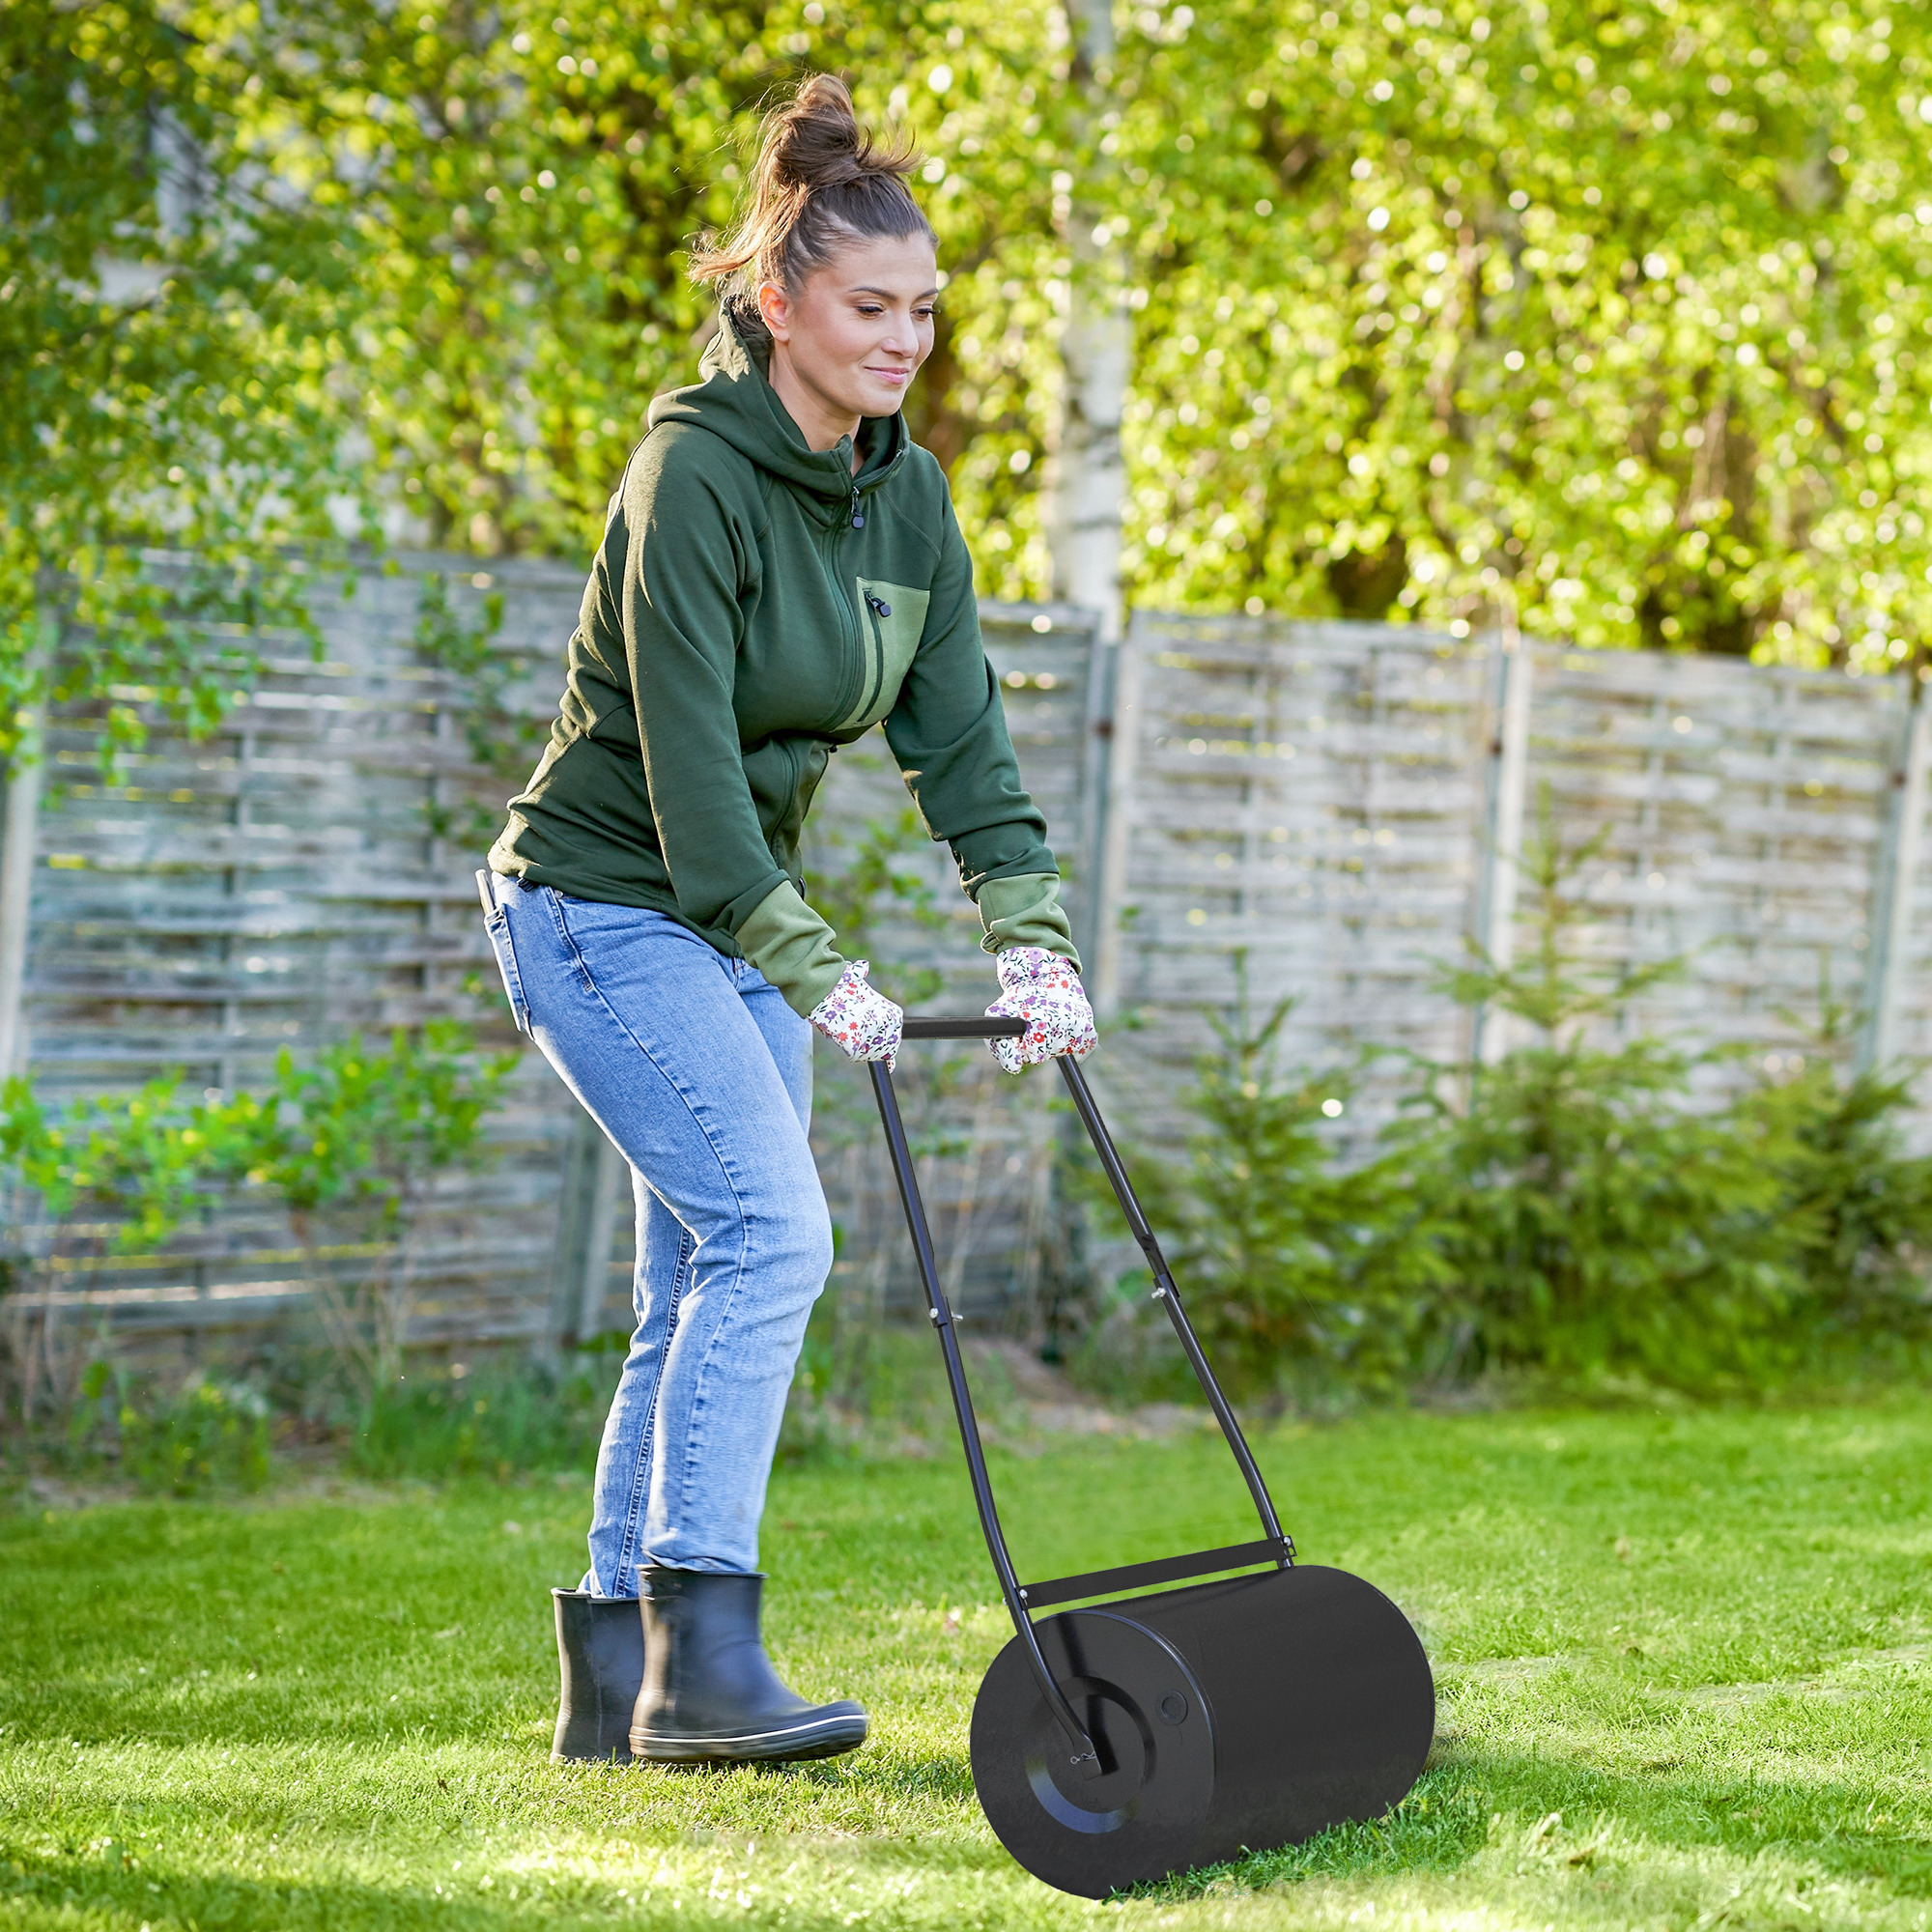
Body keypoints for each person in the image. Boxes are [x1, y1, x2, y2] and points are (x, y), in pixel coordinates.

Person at [478, 74, 1096, 1768]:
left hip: (729, 927)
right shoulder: (692, 476)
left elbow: (960, 738)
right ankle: (704, 1664)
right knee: (777, 1239)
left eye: (924, 310)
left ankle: (618, 1683)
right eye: (869, 307)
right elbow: (690, 795)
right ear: (780, 306)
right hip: (601, 908)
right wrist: (828, 980)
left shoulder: (909, 500)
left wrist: (1028, 935)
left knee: (695, 1283)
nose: (905, 339)